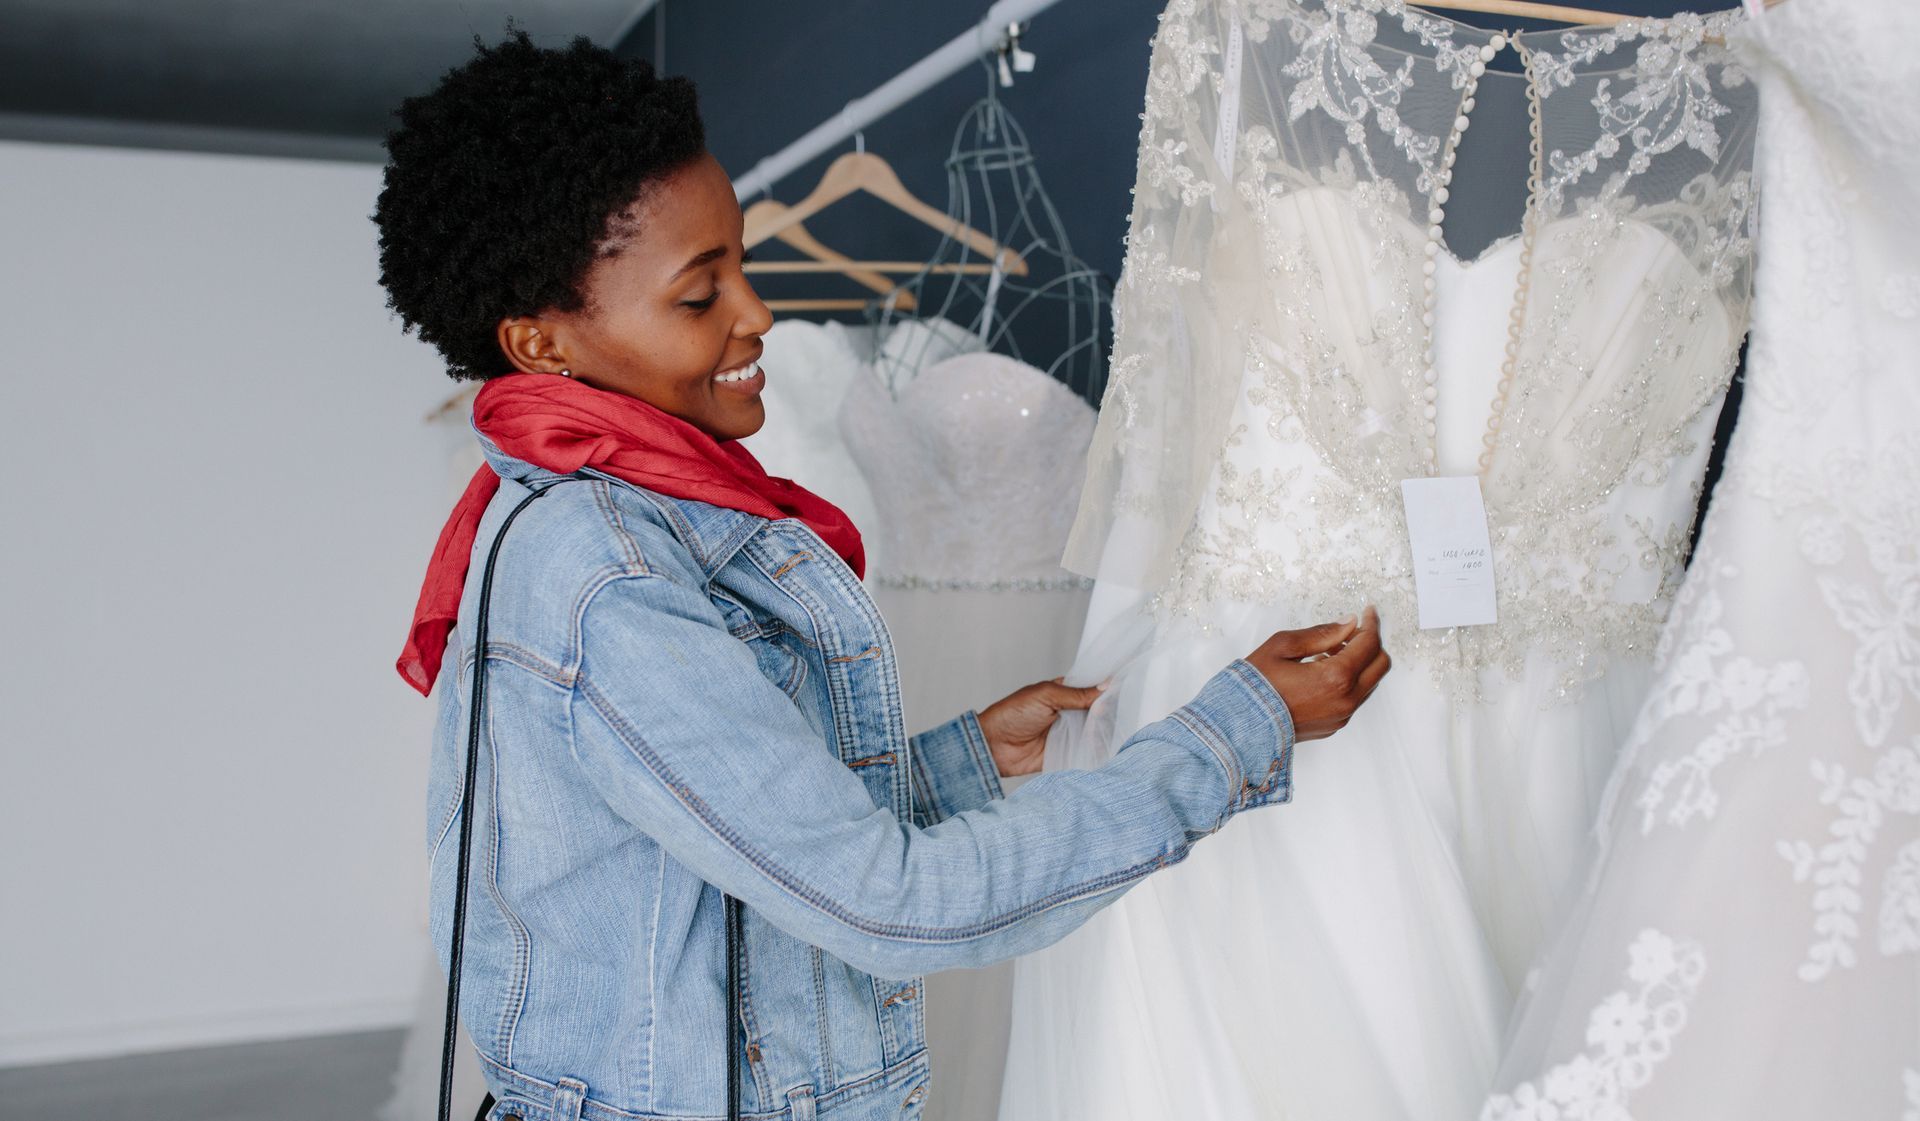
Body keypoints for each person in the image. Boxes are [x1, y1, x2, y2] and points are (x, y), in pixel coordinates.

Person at [374, 31, 1389, 1121]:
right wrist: (1228, 737)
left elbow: (727, 845)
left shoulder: (602, 516)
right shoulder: (607, 571)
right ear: (541, 345)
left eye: (742, 268)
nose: (756, 313)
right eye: (696, 295)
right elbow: (886, 901)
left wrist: (960, 763)